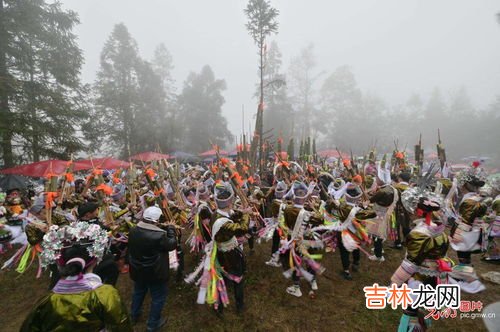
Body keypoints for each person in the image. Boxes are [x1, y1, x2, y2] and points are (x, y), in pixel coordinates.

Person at [21, 222, 132, 332]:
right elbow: (121, 326)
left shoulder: (47, 301)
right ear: (95, 259)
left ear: (60, 261)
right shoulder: (104, 295)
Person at [128, 205, 178, 332]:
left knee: (138, 292)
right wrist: (171, 229)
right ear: (156, 220)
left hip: (138, 270)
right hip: (155, 272)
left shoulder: (133, 230)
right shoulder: (160, 235)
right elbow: (172, 244)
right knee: (158, 297)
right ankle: (152, 324)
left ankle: (134, 315)